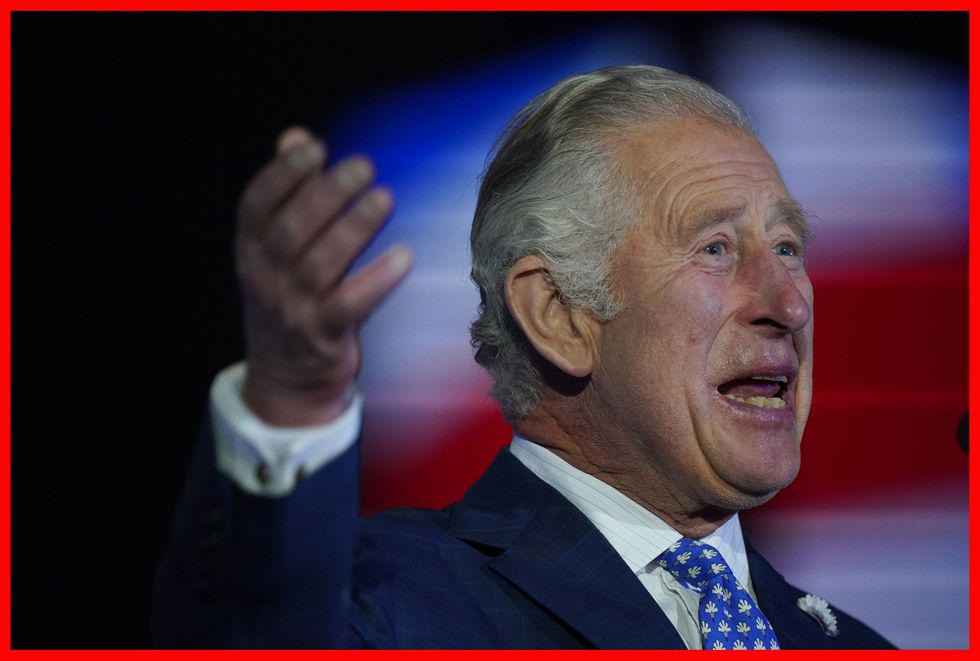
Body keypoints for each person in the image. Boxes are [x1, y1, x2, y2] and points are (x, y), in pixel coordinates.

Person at [152, 65, 895, 649]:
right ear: (559, 313)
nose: (790, 304)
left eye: (789, 246)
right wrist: (289, 404)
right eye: (715, 248)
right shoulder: (386, 605)